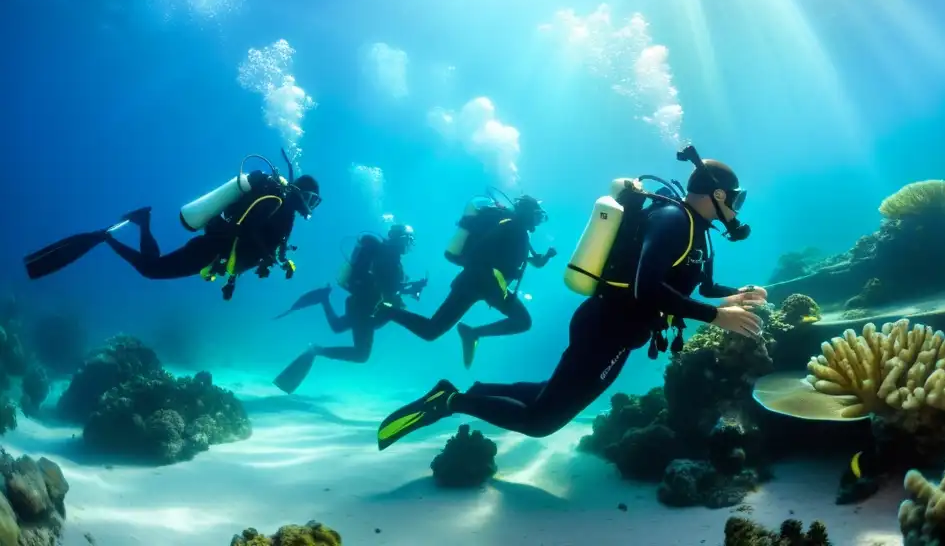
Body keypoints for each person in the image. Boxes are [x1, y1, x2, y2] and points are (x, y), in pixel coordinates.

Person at [376, 146, 765, 451]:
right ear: (716, 193)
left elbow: (700, 287)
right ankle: (451, 401)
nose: (736, 209)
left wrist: (737, 295)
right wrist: (716, 317)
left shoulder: (700, 233)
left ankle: (477, 391)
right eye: (736, 199)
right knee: (541, 422)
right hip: (606, 327)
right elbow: (644, 288)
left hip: (617, 330)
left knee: (552, 394)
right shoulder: (673, 221)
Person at [23, 152, 321, 301]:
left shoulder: (284, 211)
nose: (311, 206)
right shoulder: (277, 202)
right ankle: (106, 238)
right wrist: (267, 258)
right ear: (301, 193)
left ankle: (142, 221)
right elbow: (246, 229)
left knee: (154, 267)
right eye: (312, 200)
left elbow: (258, 239)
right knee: (151, 270)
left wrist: (275, 260)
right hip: (211, 248)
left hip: (216, 253)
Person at [377, 194, 557, 369]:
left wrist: (547, 256)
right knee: (431, 331)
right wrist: (490, 278)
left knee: (523, 321)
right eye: (537, 216)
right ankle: (388, 311)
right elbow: (479, 253)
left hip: (490, 287)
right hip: (475, 284)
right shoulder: (510, 227)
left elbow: (532, 261)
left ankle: (472, 333)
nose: (538, 221)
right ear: (527, 212)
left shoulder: (520, 232)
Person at [271, 223, 429, 394]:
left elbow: (386, 284)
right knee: (361, 355)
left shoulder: (384, 254)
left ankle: (323, 299)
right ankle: (316, 350)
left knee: (338, 327)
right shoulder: (389, 257)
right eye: (409, 240)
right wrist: (410, 288)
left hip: (358, 302)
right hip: (366, 307)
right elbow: (389, 288)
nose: (409, 245)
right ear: (402, 239)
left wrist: (407, 287)